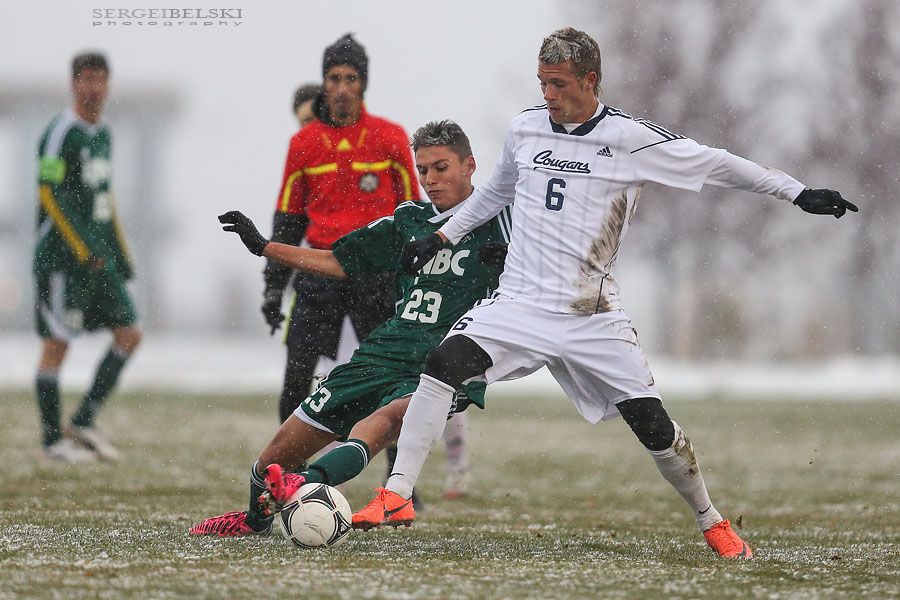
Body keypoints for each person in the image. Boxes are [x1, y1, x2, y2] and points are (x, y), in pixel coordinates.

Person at [353, 27, 858, 558]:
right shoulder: (525, 129)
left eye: (559, 84)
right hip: (519, 304)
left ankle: (711, 520)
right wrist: (440, 235)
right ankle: (396, 495)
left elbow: (717, 164)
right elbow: (495, 194)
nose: (547, 95)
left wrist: (798, 192)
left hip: (590, 313)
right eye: (542, 83)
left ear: (590, 80)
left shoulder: (628, 139)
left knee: (654, 427)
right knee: (443, 362)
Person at [189, 120, 511, 536]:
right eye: (423, 169)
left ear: (470, 165)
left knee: (391, 419)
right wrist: (264, 247)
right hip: (384, 351)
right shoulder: (409, 220)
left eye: (441, 167)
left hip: (447, 359)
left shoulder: (505, 219)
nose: (430, 179)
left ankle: (303, 485)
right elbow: (337, 261)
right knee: (278, 451)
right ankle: (255, 520)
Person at [260, 33, 418, 428]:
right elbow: (289, 220)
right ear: (323, 82)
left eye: (351, 78)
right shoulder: (303, 144)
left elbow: (414, 213)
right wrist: (274, 285)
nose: (342, 88)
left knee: (392, 379)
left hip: (376, 275)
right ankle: (285, 477)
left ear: (364, 83)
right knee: (297, 377)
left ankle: (398, 484)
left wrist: (417, 276)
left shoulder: (390, 137)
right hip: (318, 272)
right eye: (334, 78)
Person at [33, 52, 142, 463]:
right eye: (86, 79)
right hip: (63, 259)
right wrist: (81, 248)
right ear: (73, 84)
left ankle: (82, 419)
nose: (94, 87)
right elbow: (49, 193)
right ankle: (51, 443)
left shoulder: (105, 134)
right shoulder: (61, 132)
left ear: (109, 85)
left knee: (130, 334)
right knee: (57, 343)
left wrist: (119, 252)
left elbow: (103, 199)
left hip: (99, 258)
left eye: (101, 79)